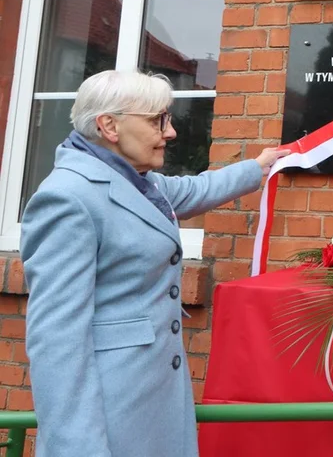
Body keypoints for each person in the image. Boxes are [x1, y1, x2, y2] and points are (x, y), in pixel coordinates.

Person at [20, 70, 290, 457]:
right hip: (111, 414)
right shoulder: (67, 198)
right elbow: (57, 341)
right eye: (156, 120)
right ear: (109, 125)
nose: (170, 132)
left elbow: (193, 190)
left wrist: (256, 168)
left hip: (152, 404)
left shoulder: (139, 183)